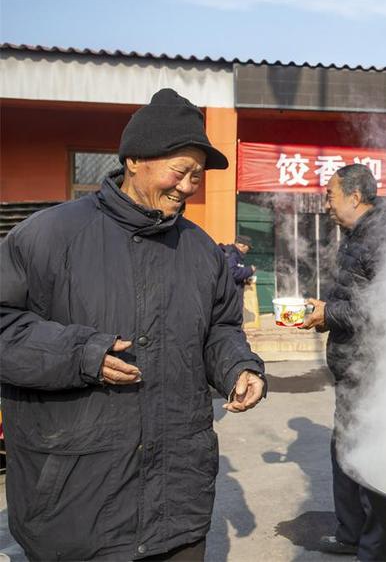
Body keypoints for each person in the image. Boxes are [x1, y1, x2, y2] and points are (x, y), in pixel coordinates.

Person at [0, 88, 266, 561]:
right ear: (135, 160)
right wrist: (81, 354)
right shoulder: (47, 236)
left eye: (197, 177)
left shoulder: (201, 250)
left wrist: (237, 367)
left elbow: (221, 327)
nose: (188, 186)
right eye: (180, 171)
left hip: (177, 505)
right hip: (76, 508)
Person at [299, 164, 386, 561]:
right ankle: (351, 534)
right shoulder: (357, 235)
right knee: (345, 450)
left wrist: (329, 313)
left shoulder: (384, 238)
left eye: (330, 195)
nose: (326, 205)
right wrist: (325, 314)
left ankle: (374, 545)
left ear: (355, 197)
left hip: (374, 370)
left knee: (367, 456)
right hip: (352, 366)